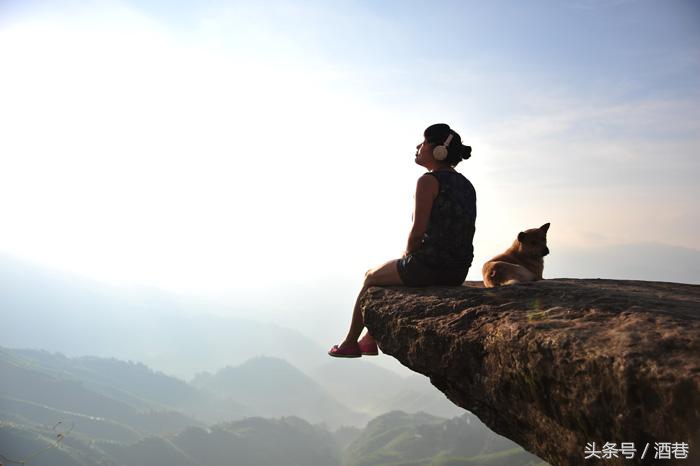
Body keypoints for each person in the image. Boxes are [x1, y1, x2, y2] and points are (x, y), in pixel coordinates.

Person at [328, 123, 476, 358]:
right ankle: (369, 339)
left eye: (424, 142)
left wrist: (409, 258)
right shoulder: (467, 185)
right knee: (392, 273)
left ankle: (349, 344)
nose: (418, 146)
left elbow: (418, 232)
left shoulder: (428, 181)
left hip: (430, 267)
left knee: (371, 276)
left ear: (439, 150)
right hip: (458, 271)